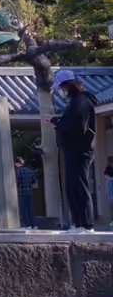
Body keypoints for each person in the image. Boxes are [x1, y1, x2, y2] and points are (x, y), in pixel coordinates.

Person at [50, 70, 97, 233]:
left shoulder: (82, 100)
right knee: (72, 186)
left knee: (79, 185)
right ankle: (79, 223)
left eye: (62, 87)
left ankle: (86, 224)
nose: (62, 91)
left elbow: (75, 123)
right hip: (74, 150)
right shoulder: (76, 101)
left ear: (69, 86)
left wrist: (56, 121)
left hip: (80, 150)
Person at [14, 157, 38, 229]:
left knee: (24, 209)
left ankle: (27, 225)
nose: (15, 165)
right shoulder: (30, 171)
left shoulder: (19, 172)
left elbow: (17, 182)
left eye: (16, 164)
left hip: (22, 193)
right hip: (30, 192)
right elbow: (34, 181)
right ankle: (33, 225)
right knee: (30, 209)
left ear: (18, 163)